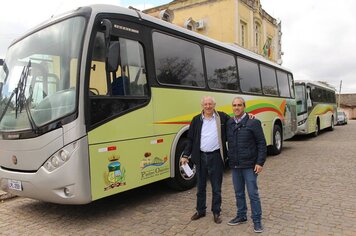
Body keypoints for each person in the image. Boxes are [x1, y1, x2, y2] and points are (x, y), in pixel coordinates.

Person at [180, 96, 230, 224]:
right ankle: (200, 211)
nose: (208, 106)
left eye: (210, 104)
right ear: (202, 106)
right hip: (201, 157)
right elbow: (190, 139)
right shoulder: (196, 120)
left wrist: (249, 116)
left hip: (216, 157)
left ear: (214, 105)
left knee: (216, 187)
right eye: (205, 104)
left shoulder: (222, 117)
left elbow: (236, 121)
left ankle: (216, 211)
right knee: (200, 187)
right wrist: (185, 155)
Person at [226, 97, 267, 233]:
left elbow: (261, 143)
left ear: (244, 106)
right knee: (238, 193)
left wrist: (260, 162)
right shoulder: (230, 122)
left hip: (249, 165)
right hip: (235, 165)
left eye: (239, 105)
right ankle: (241, 216)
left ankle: (257, 221)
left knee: (253, 194)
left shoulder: (253, 122)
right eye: (234, 105)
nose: (236, 107)